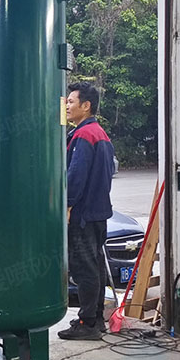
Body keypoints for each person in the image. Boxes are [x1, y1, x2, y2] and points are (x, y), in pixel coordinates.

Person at [57, 82, 114, 341]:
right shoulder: (99, 133)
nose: (67, 106)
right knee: (96, 267)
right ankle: (96, 319)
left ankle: (88, 323)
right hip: (98, 213)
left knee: (84, 269)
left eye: (71, 101)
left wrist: (67, 205)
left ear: (86, 105)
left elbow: (75, 176)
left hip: (82, 216)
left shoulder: (83, 135)